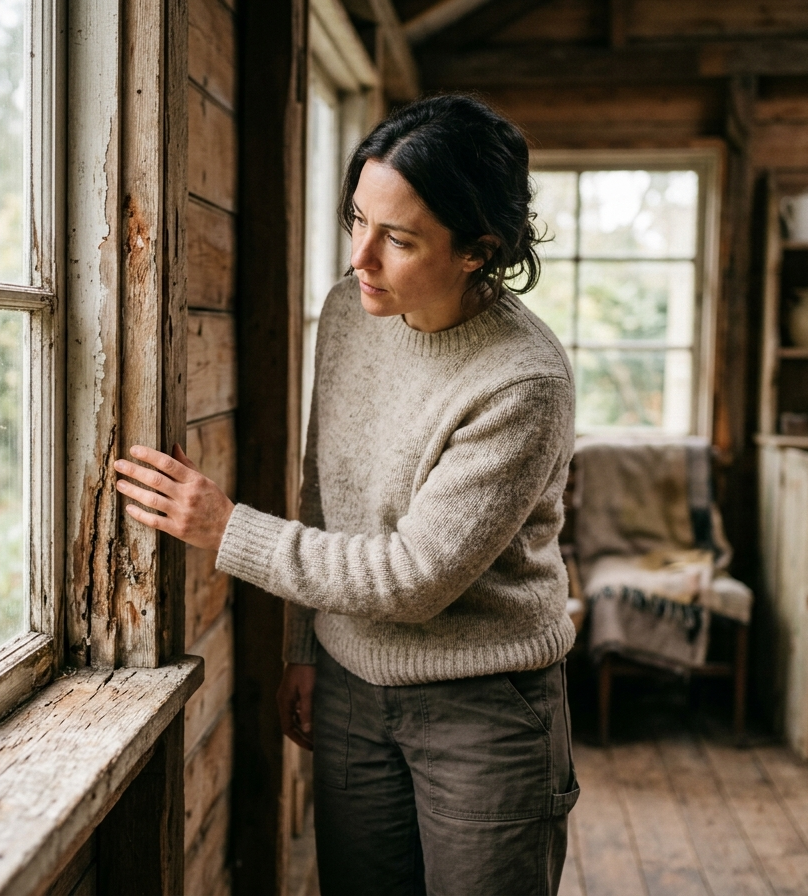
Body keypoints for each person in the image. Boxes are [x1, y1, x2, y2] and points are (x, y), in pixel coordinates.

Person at [113, 94, 579, 896]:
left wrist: (225, 528)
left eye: (398, 239)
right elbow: (323, 491)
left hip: (483, 710)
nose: (360, 257)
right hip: (349, 690)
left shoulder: (523, 382)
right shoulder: (349, 312)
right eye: (357, 219)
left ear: (479, 251)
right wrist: (305, 647)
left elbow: (413, 579)